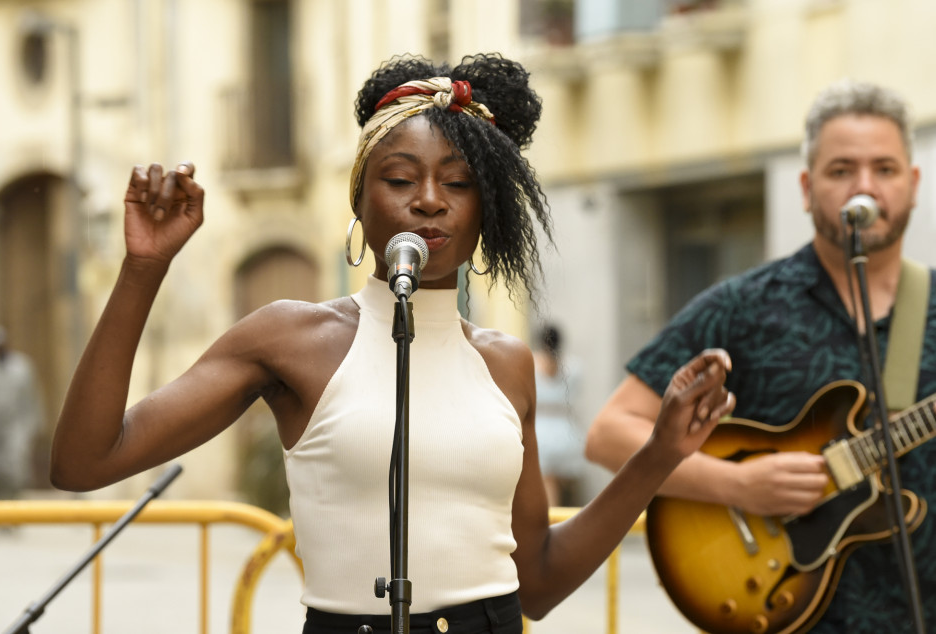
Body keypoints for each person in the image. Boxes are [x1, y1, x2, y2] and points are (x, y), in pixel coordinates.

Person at [49, 53, 734, 633]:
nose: (430, 200)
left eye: (458, 183)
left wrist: (658, 455)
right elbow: (83, 462)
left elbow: (540, 582)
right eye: (401, 179)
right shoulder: (291, 339)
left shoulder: (507, 364)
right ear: (360, 200)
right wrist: (144, 269)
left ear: (485, 212)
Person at [585, 78, 936, 633]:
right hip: (782, 608)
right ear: (806, 188)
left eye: (885, 169)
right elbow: (609, 433)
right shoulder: (741, 306)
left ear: (913, 185)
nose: (864, 187)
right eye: (841, 170)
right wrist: (736, 485)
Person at [0, 325, 44, 500]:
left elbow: (32, 398)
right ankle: (0, 508)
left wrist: (33, 427)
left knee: (17, 470)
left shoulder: (21, 367)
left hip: (17, 427)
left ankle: (15, 505)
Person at [531, 324, 584, 506]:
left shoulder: (531, 363)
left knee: (549, 484)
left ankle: (552, 517)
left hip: (541, 429)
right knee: (562, 486)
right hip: (566, 430)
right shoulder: (574, 367)